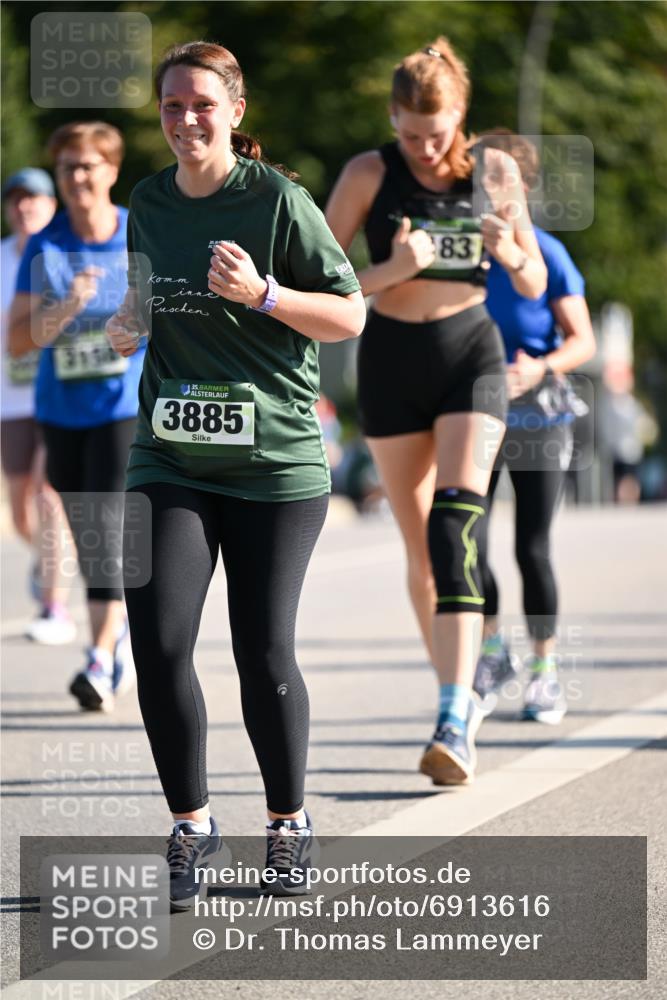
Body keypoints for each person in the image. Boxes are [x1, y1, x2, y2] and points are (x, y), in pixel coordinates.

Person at [104, 41, 365, 909]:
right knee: (161, 643)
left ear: (235, 113)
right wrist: (124, 322)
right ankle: (191, 824)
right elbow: (145, 301)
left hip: (273, 464)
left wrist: (262, 296)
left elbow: (347, 314)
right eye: (172, 105)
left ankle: (288, 824)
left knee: (262, 651)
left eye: (202, 105)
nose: (185, 121)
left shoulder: (278, 203)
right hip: (168, 453)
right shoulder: (144, 199)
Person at [325, 38, 547, 786]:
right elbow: (321, 283)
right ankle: (467, 669)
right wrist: (391, 270)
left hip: (469, 354)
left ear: (461, 117)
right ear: (390, 118)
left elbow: (535, 271)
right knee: (420, 548)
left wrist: (509, 252)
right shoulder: (365, 173)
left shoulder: (493, 170)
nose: (424, 149)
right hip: (388, 361)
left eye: (439, 133)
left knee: (457, 521)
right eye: (409, 134)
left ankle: (454, 717)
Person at [8, 123, 144, 711]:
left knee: (106, 520)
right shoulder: (47, 245)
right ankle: (116, 639)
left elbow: (168, 317)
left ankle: (100, 657)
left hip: (125, 407)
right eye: (67, 168)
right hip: (62, 410)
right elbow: (16, 340)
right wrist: (66, 307)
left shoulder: (137, 234)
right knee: (89, 530)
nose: (78, 177)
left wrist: (134, 330)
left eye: (89, 166)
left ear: (112, 171)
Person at [473, 130, 596, 724]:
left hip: (538, 415)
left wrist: (538, 367)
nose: (488, 189)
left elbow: (583, 341)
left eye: (500, 178)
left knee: (532, 548)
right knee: (466, 542)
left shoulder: (548, 253)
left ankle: (545, 671)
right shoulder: (463, 253)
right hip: (473, 412)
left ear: (524, 183)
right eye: (480, 178)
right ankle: (494, 654)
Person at [1, 168, 76, 644]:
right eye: (17, 200)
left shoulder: (64, 253)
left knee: (51, 499)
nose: (26, 207)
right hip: (11, 400)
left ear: (52, 206)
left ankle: (55, 608)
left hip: (61, 395)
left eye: (36, 200)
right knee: (21, 515)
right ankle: (57, 562)